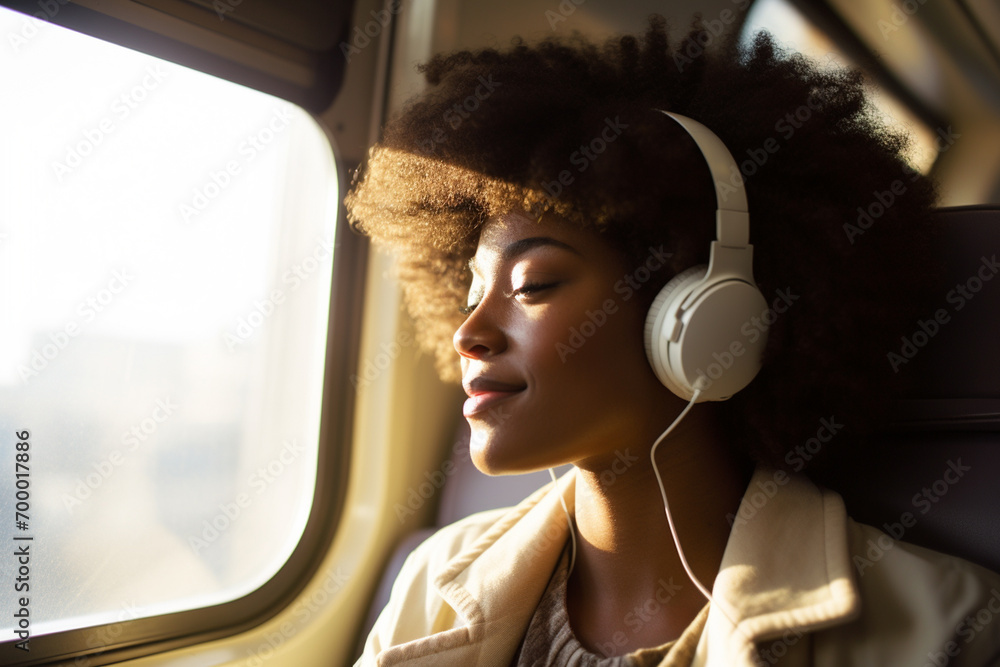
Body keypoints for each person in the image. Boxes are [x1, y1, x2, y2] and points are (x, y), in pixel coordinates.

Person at [345, 16, 1000, 666]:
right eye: (468, 295)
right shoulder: (431, 581)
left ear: (703, 309)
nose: (470, 331)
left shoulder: (950, 627)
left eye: (532, 284)